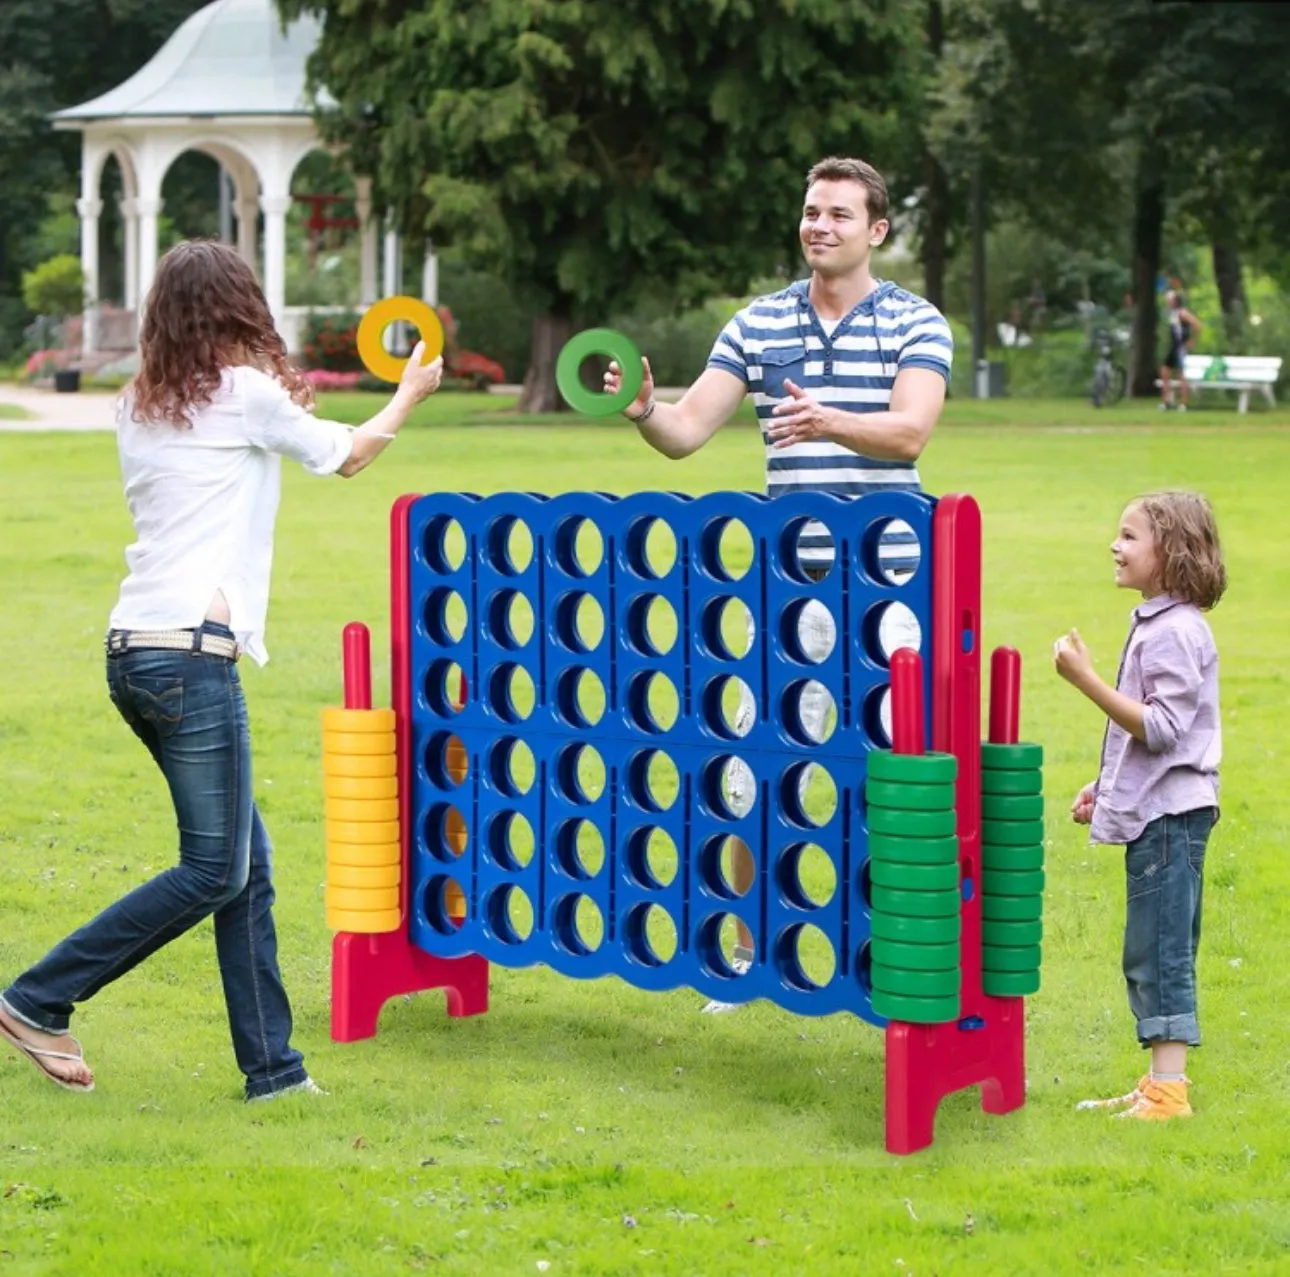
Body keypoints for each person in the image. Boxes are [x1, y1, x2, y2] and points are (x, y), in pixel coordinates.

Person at [0, 240, 443, 1098]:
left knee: (247, 865)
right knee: (215, 869)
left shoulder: (138, 402)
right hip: (190, 662)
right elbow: (346, 454)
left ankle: (274, 1072)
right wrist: (408, 396)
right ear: (238, 305)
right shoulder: (242, 394)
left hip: (132, 651)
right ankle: (36, 997)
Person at [605, 155, 953, 1013]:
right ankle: (748, 953)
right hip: (789, 591)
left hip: (893, 587)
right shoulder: (758, 326)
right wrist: (648, 409)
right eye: (810, 212)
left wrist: (826, 419)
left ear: (876, 230)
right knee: (754, 771)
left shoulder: (917, 322)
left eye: (839, 214)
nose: (819, 226)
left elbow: (910, 435)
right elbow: (688, 432)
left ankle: (894, 952)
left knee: (896, 772)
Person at [1053, 490, 1226, 1121]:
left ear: (1171, 552)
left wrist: (1086, 682)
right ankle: (1158, 1080)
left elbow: (1162, 730)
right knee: (1149, 946)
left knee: (1161, 949)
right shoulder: (1158, 622)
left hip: (1173, 818)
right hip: (1158, 809)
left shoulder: (1176, 631)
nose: (1114, 546)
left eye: (1128, 536)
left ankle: (1169, 1093)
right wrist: (1106, 788)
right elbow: (1150, 740)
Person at [1159, 289, 1203, 411]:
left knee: (1182, 375)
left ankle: (1184, 403)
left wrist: (1192, 340)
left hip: (1181, 347)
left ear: (1175, 301)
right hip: (1173, 346)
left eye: (1170, 299)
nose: (1168, 302)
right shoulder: (1172, 313)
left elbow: (1197, 325)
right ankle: (1166, 401)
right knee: (1165, 372)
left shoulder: (1182, 312)